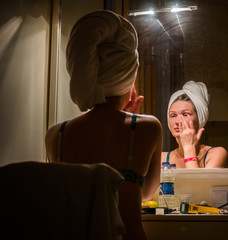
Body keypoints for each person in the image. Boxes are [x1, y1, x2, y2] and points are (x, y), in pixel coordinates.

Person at [45, 10, 162, 240]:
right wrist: (129, 122)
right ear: (129, 76)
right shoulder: (149, 128)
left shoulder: (55, 135)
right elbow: (146, 193)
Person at [161, 80, 228, 168]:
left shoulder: (217, 154)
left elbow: (196, 182)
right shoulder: (162, 158)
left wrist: (189, 148)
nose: (178, 121)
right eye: (173, 115)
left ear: (199, 119)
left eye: (185, 114)